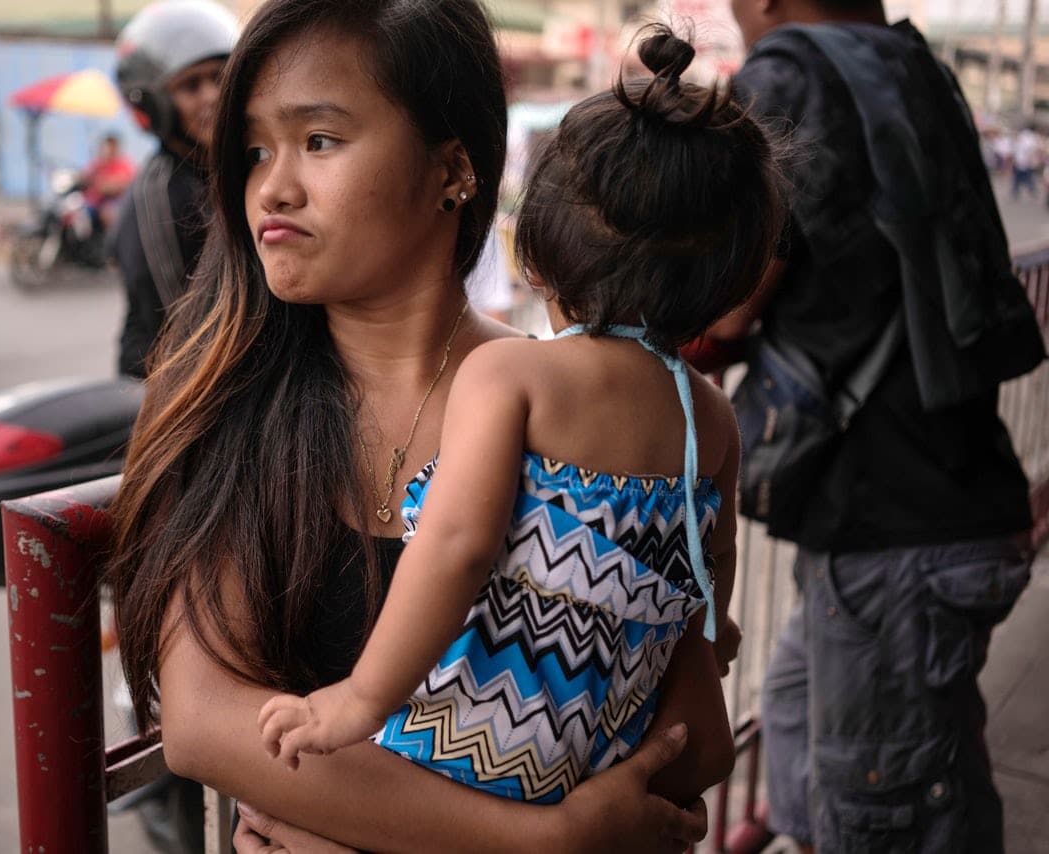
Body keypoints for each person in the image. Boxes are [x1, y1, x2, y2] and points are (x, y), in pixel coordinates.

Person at [108, 1, 716, 851]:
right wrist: (539, 841)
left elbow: (677, 734)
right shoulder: (228, 397)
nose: (273, 188)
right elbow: (207, 725)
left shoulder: (570, 406)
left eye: (319, 141)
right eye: (254, 152)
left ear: (453, 168)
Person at [257, 27, 782, 806]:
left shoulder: (510, 373)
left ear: (533, 253)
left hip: (467, 749)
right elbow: (713, 573)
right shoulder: (709, 416)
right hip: (602, 747)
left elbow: (460, 546)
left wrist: (360, 697)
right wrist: (711, 634)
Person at [720, 1, 1045, 851]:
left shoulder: (788, 75)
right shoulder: (910, 64)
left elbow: (725, 298)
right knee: (803, 725)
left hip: (892, 527)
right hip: (948, 498)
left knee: (887, 811)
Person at [112, 0, 238, 379]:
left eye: (219, 77)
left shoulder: (237, 166)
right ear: (156, 104)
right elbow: (186, 332)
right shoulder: (159, 197)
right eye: (190, 85)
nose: (212, 96)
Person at [79, 133, 135, 233]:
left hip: (114, 202)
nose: (108, 150)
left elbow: (124, 183)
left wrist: (106, 184)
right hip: (93, 203)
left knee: (109, 213)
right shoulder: (97, 163)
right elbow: (84, 177)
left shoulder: (123, 164)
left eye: (110, 147)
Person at [1010, 124, 1042, 201]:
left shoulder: (1022, 136)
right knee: (1026, 177)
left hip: (1021, 160)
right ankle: (1031, 190)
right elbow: (1033, 149)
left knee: (1019, 178)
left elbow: (1015, 149)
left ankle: (1017, 192)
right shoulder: (1031, 137)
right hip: (1024, 160)